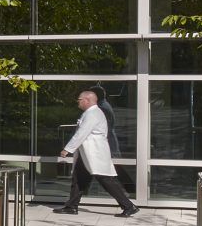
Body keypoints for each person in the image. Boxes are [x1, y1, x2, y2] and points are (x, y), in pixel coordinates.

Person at [55, 88, 139, 216]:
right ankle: (71, 206)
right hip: (87, 154)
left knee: (106, 180)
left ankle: (129, 206)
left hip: (95, 154)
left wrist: (67, 149)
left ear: (87, 100)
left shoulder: (93, 114)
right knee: (78, 179)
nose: (77, 102)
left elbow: (82, 133)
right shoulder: (91, 113)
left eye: (79, 100)